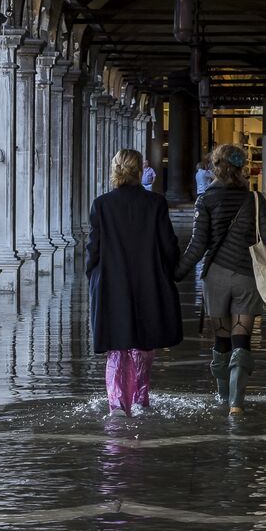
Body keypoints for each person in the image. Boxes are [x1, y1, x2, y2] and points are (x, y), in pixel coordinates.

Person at [173, 144, 266, 414]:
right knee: (241, 338)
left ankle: (222, 395)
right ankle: (236, 404)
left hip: (216, 277)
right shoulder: (255, 199)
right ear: (242, 167)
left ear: (215, 166)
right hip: (247, 276)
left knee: (221, 339)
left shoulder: (206, 199)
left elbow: (197, 246)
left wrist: (174, 274)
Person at [86, 148, 183, 415]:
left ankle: (117, 403)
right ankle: (141, 398)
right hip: (148, 282)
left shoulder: (102, 204)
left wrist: (93, 275)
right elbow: (168, 245)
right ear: (140, 171)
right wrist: (172, 271)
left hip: (111, 283)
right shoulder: (155, 203)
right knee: (143, 343)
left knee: (118, 345)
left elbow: (93, 247)